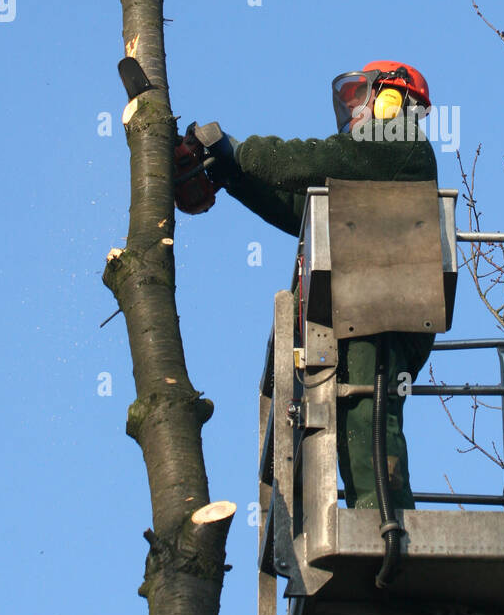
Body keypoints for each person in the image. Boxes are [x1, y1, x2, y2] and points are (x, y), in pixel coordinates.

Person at [175, 62, 438, 510]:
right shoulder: (371, 168)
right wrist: (232, 173)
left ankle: (385, 524)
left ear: (392, 99)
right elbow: (301, 206)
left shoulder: (402, 141)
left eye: (362, 99)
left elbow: (312, 162)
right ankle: (377, 518)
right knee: (350, 413)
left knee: (366, 413)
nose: (355, 112)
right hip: (361, 305)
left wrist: (237, 149)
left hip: (383, 305)